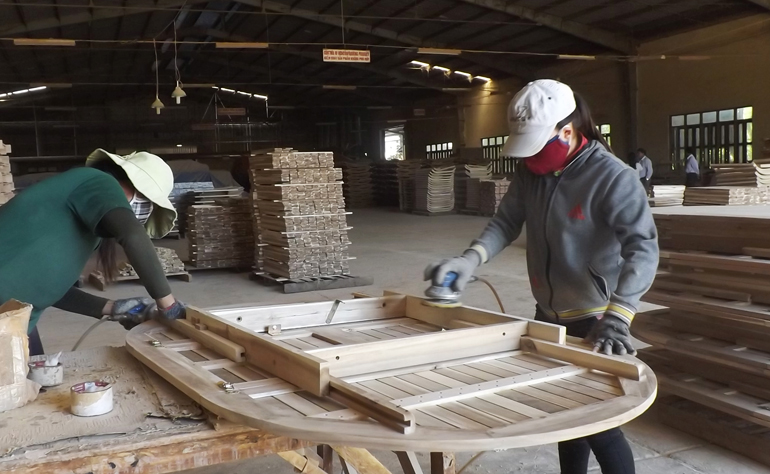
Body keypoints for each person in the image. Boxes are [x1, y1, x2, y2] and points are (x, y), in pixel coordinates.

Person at [424, 80, 658, 474]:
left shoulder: (613, 177)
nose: (529, 158)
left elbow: (643, 249)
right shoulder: (532, 172)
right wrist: (469, 260)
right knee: (564, 413)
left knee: (600, 424)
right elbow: (505, 222)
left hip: (596, 318)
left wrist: (620, 315)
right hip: (548, 312)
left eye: (537, 146)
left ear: (568, 131)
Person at [0, 149, 187, 355]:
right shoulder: (97, 181)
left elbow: (49, 289)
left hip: (14, 318)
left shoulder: (83, 232)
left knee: (35, 379)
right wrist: (169, 306)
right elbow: (133, 236)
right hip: (7, 316)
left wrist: (114, 308)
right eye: (146, 200)